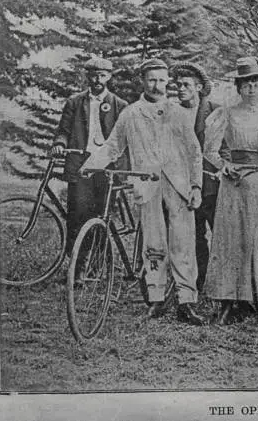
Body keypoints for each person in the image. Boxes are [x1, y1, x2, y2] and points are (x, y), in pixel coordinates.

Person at [80, 59, 205, 325]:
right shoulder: (131, 113)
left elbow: (195, 153)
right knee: (153, 242)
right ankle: (156, 299)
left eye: (161, 80)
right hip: (146, 184)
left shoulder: (178, 112)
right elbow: (113, 146)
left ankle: (186, 301)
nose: (157, 85)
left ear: (167, 82)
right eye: (151, 79)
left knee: (183, 243)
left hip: (179, 185)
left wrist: (196, 186)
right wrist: (90, 166)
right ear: (142, 81)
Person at [203, 57, 258, 325]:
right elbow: (210, 150)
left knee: (255, 236)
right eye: (246, 84)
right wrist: (224, 165)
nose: (251, 89)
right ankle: (226, 299)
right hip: (233, 181)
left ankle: (252, 296)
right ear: (238, 87)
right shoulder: (226, 113)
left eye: (256, 83)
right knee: (229, 237)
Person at [51, 57, 128, 256]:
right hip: (80, 167)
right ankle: (76, 266)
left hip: (107, 169)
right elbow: (63, 131)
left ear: (109, 77)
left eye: (102, 76)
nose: (97, 80)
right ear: (87, 77)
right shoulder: (74, 102)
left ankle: (96, 265)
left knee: (101, 217)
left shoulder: (120, 105)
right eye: (93, 76)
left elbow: (125, 140)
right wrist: (60, 144)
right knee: (77, 216)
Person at [170, 62, 219, 294]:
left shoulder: (216, 111)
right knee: (194, 236)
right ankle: (197, 283)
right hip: (183, 185)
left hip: (212, 184)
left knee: (219, 234)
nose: (181, 89)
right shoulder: (172, 113)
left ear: (199, 87)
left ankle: (221, 287)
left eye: (186, 85)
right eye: (178, 85)